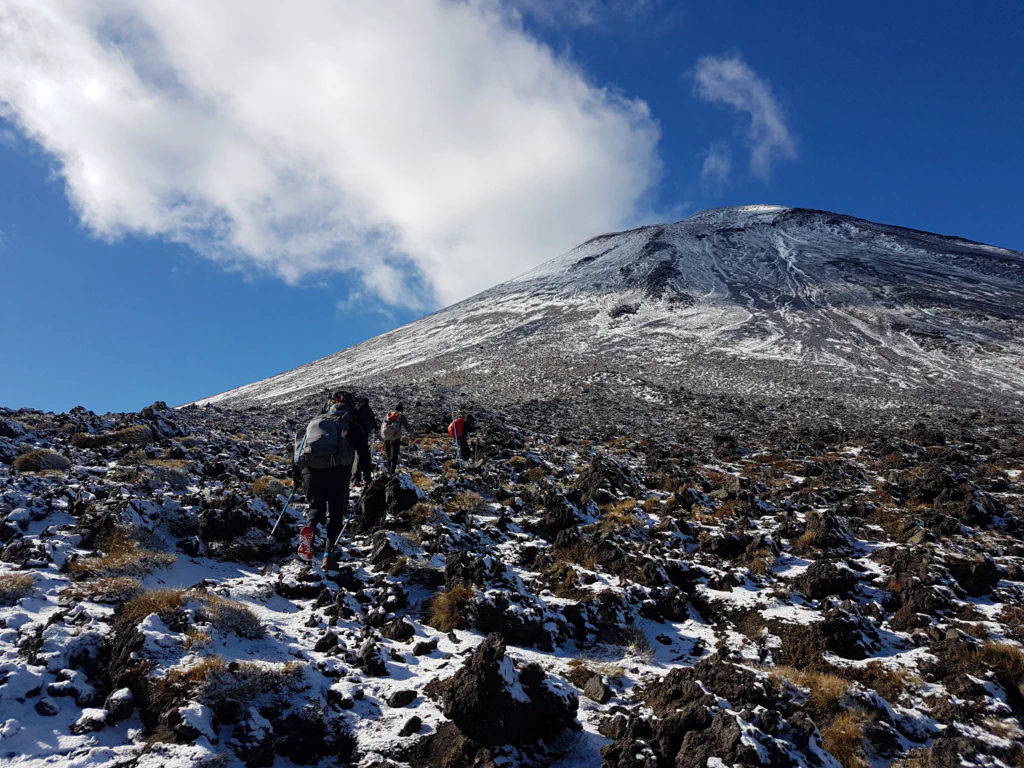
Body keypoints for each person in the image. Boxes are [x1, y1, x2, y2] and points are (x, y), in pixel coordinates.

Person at [293, 401, 364, 570]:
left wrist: (296, 477)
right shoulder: (350, 426)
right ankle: (328, 556)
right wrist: (366, 477)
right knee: (336, 513)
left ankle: (310, 528)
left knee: (316, 507)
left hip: (310, 470)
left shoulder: (313, 424)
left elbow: (297, 450)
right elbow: (363, 452)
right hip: (338, 472)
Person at [380, 403, 412, 475]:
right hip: (395, 439)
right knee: (394, 456)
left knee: (388, 455)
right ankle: (392, 472)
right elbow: (407, 427)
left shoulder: (388, 415)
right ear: (402, 409)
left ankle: (388, 472)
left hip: (386, 438)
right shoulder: (401, 416)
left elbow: (383, 425)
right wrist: (411, 433)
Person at [353, 396, 379, 482]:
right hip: (363, 433)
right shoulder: (367, 408)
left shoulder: (354, 408)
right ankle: (358, 477)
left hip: (352, 433)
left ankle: (353, 476)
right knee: (361, 454)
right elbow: (372, 419)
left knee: (353, 453)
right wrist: (376, 428)